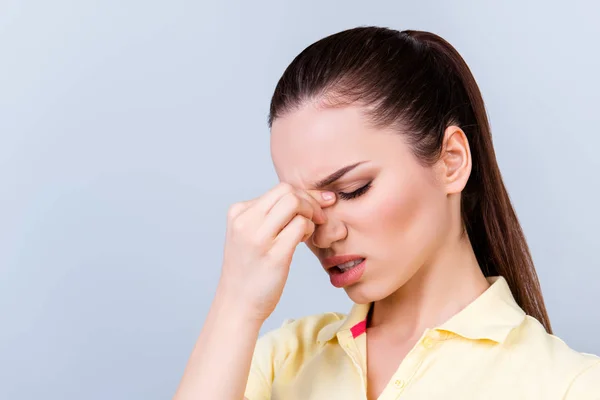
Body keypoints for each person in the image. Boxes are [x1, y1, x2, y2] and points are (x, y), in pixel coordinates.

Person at [173, 26, 600, 400]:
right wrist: (237, 302)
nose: (323, 236)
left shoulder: (568, 386)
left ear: (451, 160)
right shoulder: (281, 359)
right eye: (303, 206)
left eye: (352, 189)